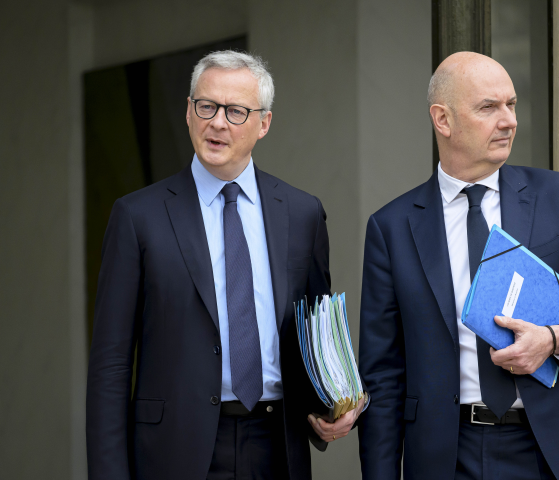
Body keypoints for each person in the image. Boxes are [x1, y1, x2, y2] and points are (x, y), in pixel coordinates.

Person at [86, 50, 363, 480]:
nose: (217, 122)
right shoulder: (138, 217)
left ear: (264, 124)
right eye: (207, 106)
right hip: (175, 451)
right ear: (189, 112)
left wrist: (327, 407)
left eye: (236, 111)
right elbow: (111, 364)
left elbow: (313, 338)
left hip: (278, 447)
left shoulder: (302, 212)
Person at [357, 52, 559, 480]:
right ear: (443, 120)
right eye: (489, 107)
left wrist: (555, 339)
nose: (508, 120)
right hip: (447, 457)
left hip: (554, 451)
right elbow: (383, 373)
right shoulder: (391, 228)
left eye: (512, 104)